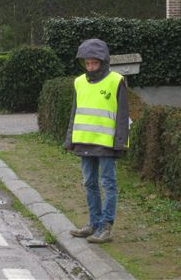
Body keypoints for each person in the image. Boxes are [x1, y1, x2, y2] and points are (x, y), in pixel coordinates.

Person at [64, 38, 129, 244]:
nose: (90, 67)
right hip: (84, 142)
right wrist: (69, 140)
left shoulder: (116, 81)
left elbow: (122, 114)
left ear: (103, 61)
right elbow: (75, 113)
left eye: (94, 63)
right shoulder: (78, 82)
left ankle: (106, 226)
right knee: (89, 183)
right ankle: (94, 223)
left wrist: (120, 142)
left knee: (108, 184)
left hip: (106, 144)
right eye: (87, 63)